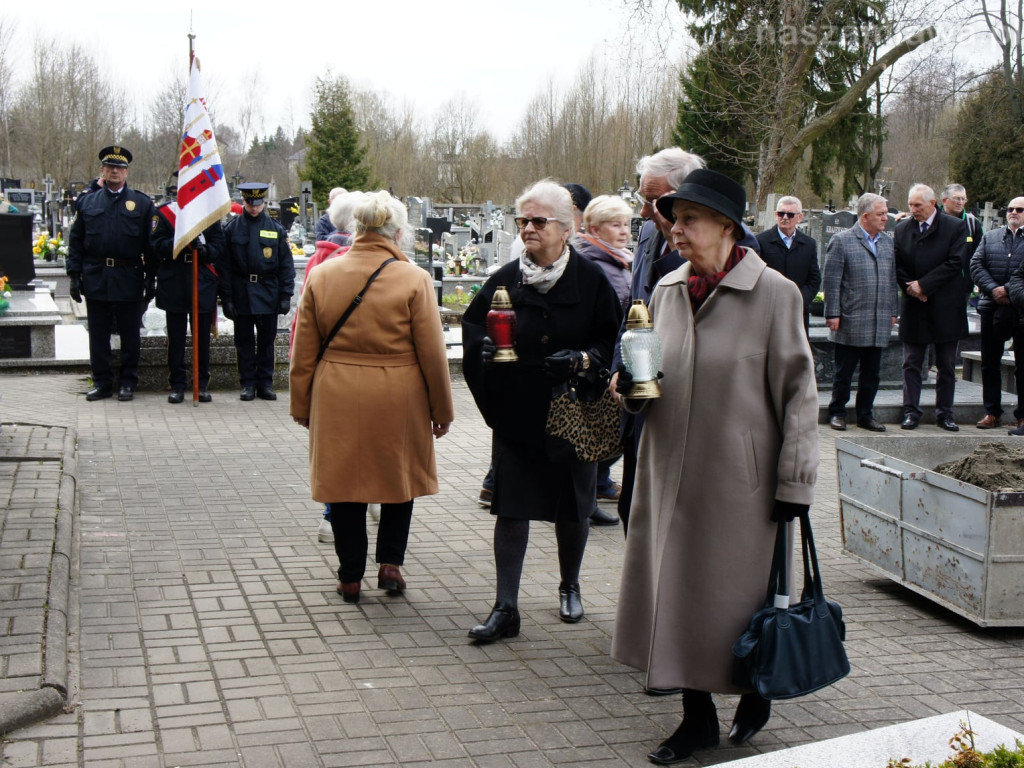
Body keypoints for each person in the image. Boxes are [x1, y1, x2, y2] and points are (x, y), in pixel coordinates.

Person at [612, 169, 819, 764]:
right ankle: (696, 718)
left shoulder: (776, 293)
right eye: (673, 221)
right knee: (676, 598)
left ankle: (756, 687)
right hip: (667, 475)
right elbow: (649, 376)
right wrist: (629, 385)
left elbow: (799, 395)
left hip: (741, 485)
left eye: (688, 221)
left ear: (727, 226)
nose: (675, 231)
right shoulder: (668, 289)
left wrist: (796, 483)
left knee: (734, 601)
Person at [462, 180, 621, 641]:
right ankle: (505, 607)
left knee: (574, 507)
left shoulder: (590, 281)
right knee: (511, 508)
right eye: (523, 221)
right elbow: (474, 330)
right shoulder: (505, 278)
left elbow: (612, 340)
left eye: (538, 221)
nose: (528, 229)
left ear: (566, 229)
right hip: (518, 412)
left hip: (574, 413)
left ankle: (570, 585)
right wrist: (486, 351)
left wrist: (582, 360)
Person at [290, 190, 454, 604]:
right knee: (399, 480)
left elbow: (303, 350)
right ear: (397, 232)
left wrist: (301, 403)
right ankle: (390, 566)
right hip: (399, 393)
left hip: (336, 391)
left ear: (356, 229)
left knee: (343, 484)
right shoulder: (414, 278)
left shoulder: (322, 275)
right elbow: (433, 353)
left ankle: (349, 576)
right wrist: (442, 410)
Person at [609, 147, 706, 541]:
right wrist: (619, 365)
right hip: (640, 404)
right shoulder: (649, 232)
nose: (645, 212)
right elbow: (634, 306)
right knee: (633, 506)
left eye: (653, 201)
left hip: (688, 410)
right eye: (642, 199)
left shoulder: (725, 247)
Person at [66, 145, 155, 402]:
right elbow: (77, 242)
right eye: (110, 167)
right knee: (98, 334)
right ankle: (102, 382)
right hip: (96, 275)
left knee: (130, 334)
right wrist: (74, 276)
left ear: (126, 173)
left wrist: (151, 278)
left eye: (120, 167)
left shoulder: (141, 203)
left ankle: (128, 382)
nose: (115, 171)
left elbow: (149, 245)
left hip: (129, 276)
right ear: (102, 170)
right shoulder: (87, 202)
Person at [895, 183, 969, 431]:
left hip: (945, 306)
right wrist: (911, 287)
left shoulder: (955, 227)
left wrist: (925, 286)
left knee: (946, 365)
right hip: (914, 306)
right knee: (912, 363)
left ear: (932, 203)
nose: (913, 210)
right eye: (910, 205)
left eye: (918, 205)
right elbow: (898, 264)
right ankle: (910, 411)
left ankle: (945, 413)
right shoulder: (903, 228)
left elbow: (955, 262)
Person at [823, 193, 898, 431]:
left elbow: (891, 280)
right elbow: (832, 281)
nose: (886, 218)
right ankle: (837, 412)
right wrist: (832, 313)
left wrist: (893, 311)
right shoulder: (842, 241)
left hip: (878, 319)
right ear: (865, 216)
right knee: (844, 372)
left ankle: (865, 414)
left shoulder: (887, 243)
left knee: (872, 373)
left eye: (886, 213)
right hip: (850, 319)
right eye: (881, 214)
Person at [151, 176, 225, 404]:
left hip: (200, 281)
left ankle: (200, 384)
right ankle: (178, 384)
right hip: (174, 280)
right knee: (176, 339)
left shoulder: (208, 215)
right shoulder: (164, 213)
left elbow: (218, 245)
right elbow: (155, 245)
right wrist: (179, 242)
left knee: (202, 339)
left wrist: (204, 250)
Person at [220, 182, 295, 401]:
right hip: (242, 291)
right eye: (250, 204)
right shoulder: (232, 229)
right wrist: (226, 298)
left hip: (267, 291)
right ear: (244, 201)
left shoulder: (275, 229)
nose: (254, 208)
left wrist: (285, 295)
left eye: (258, 204)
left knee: (266, 342)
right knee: (243, 342)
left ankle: (265, 383)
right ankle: (247, 384)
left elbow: (286, 266)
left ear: (263, 202)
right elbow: (224, 267)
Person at [972, 196, 1024, 430]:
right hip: (991, 307)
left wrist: (1010, 290)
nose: (1013, 212)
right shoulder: (991, 237)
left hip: (1020, 309)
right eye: (1010, 208)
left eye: (1019, 209)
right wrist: (993, 289)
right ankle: (992, 412)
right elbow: (976, 265)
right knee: (990, 362)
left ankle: (1022, 415)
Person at [756, 195, 821, 334]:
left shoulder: (809, 244)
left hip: (797, 313)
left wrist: (798, 300)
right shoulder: (762, 241)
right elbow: (756, 276)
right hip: (769, 311)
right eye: (781, 213)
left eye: (790, 214)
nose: (785, 217)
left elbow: (814, 279)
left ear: (800, 217)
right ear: (776, 215)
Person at [941, 183, 983, 299]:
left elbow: (979, 253)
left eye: (963, 199)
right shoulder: (933, 220)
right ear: (944, 200)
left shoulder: (972, 223)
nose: (960, 202)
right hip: (936, 285)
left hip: (963, 286)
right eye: (956, 198)